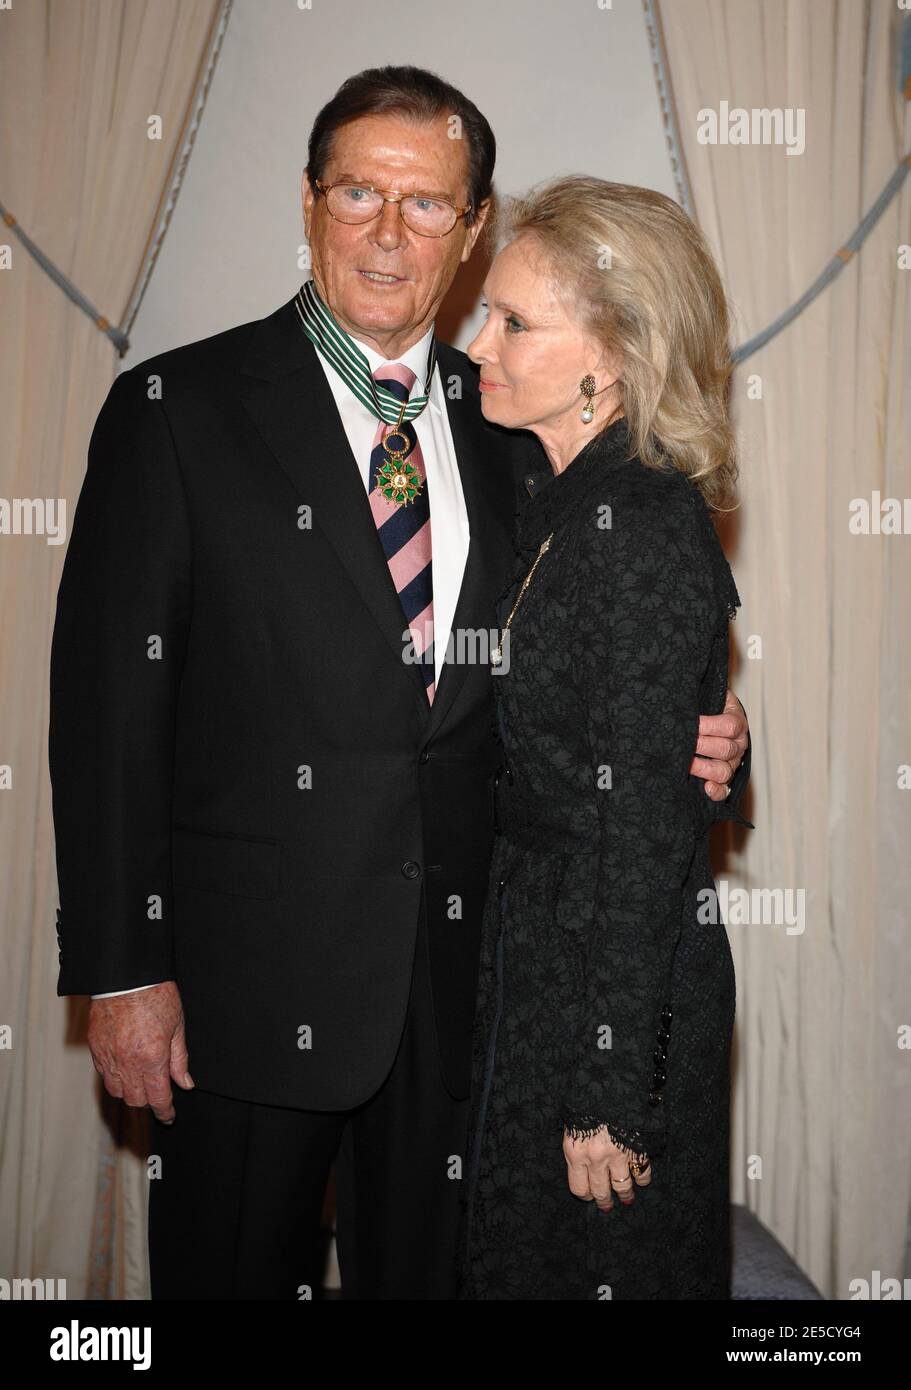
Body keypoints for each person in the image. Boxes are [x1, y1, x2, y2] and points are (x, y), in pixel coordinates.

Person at [48, 68, 751, 1302]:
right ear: (310, 201)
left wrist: (715, 728)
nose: (386, 233)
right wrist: (121, 971)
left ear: (473, 231)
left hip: (469, 996)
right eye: (359, 192)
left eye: (426, 206)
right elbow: (107, 716)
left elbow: (606, 653)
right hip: (240, 999)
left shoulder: (519, 424)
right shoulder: (177, 410)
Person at [458, 176, 755, 1300]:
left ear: (613, 358)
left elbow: (634, 839)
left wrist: (607, 1087)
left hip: (605, 990)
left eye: (514, 322)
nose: (478, 341)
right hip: (552, 958)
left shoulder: (629, 524)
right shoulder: (570, 495)